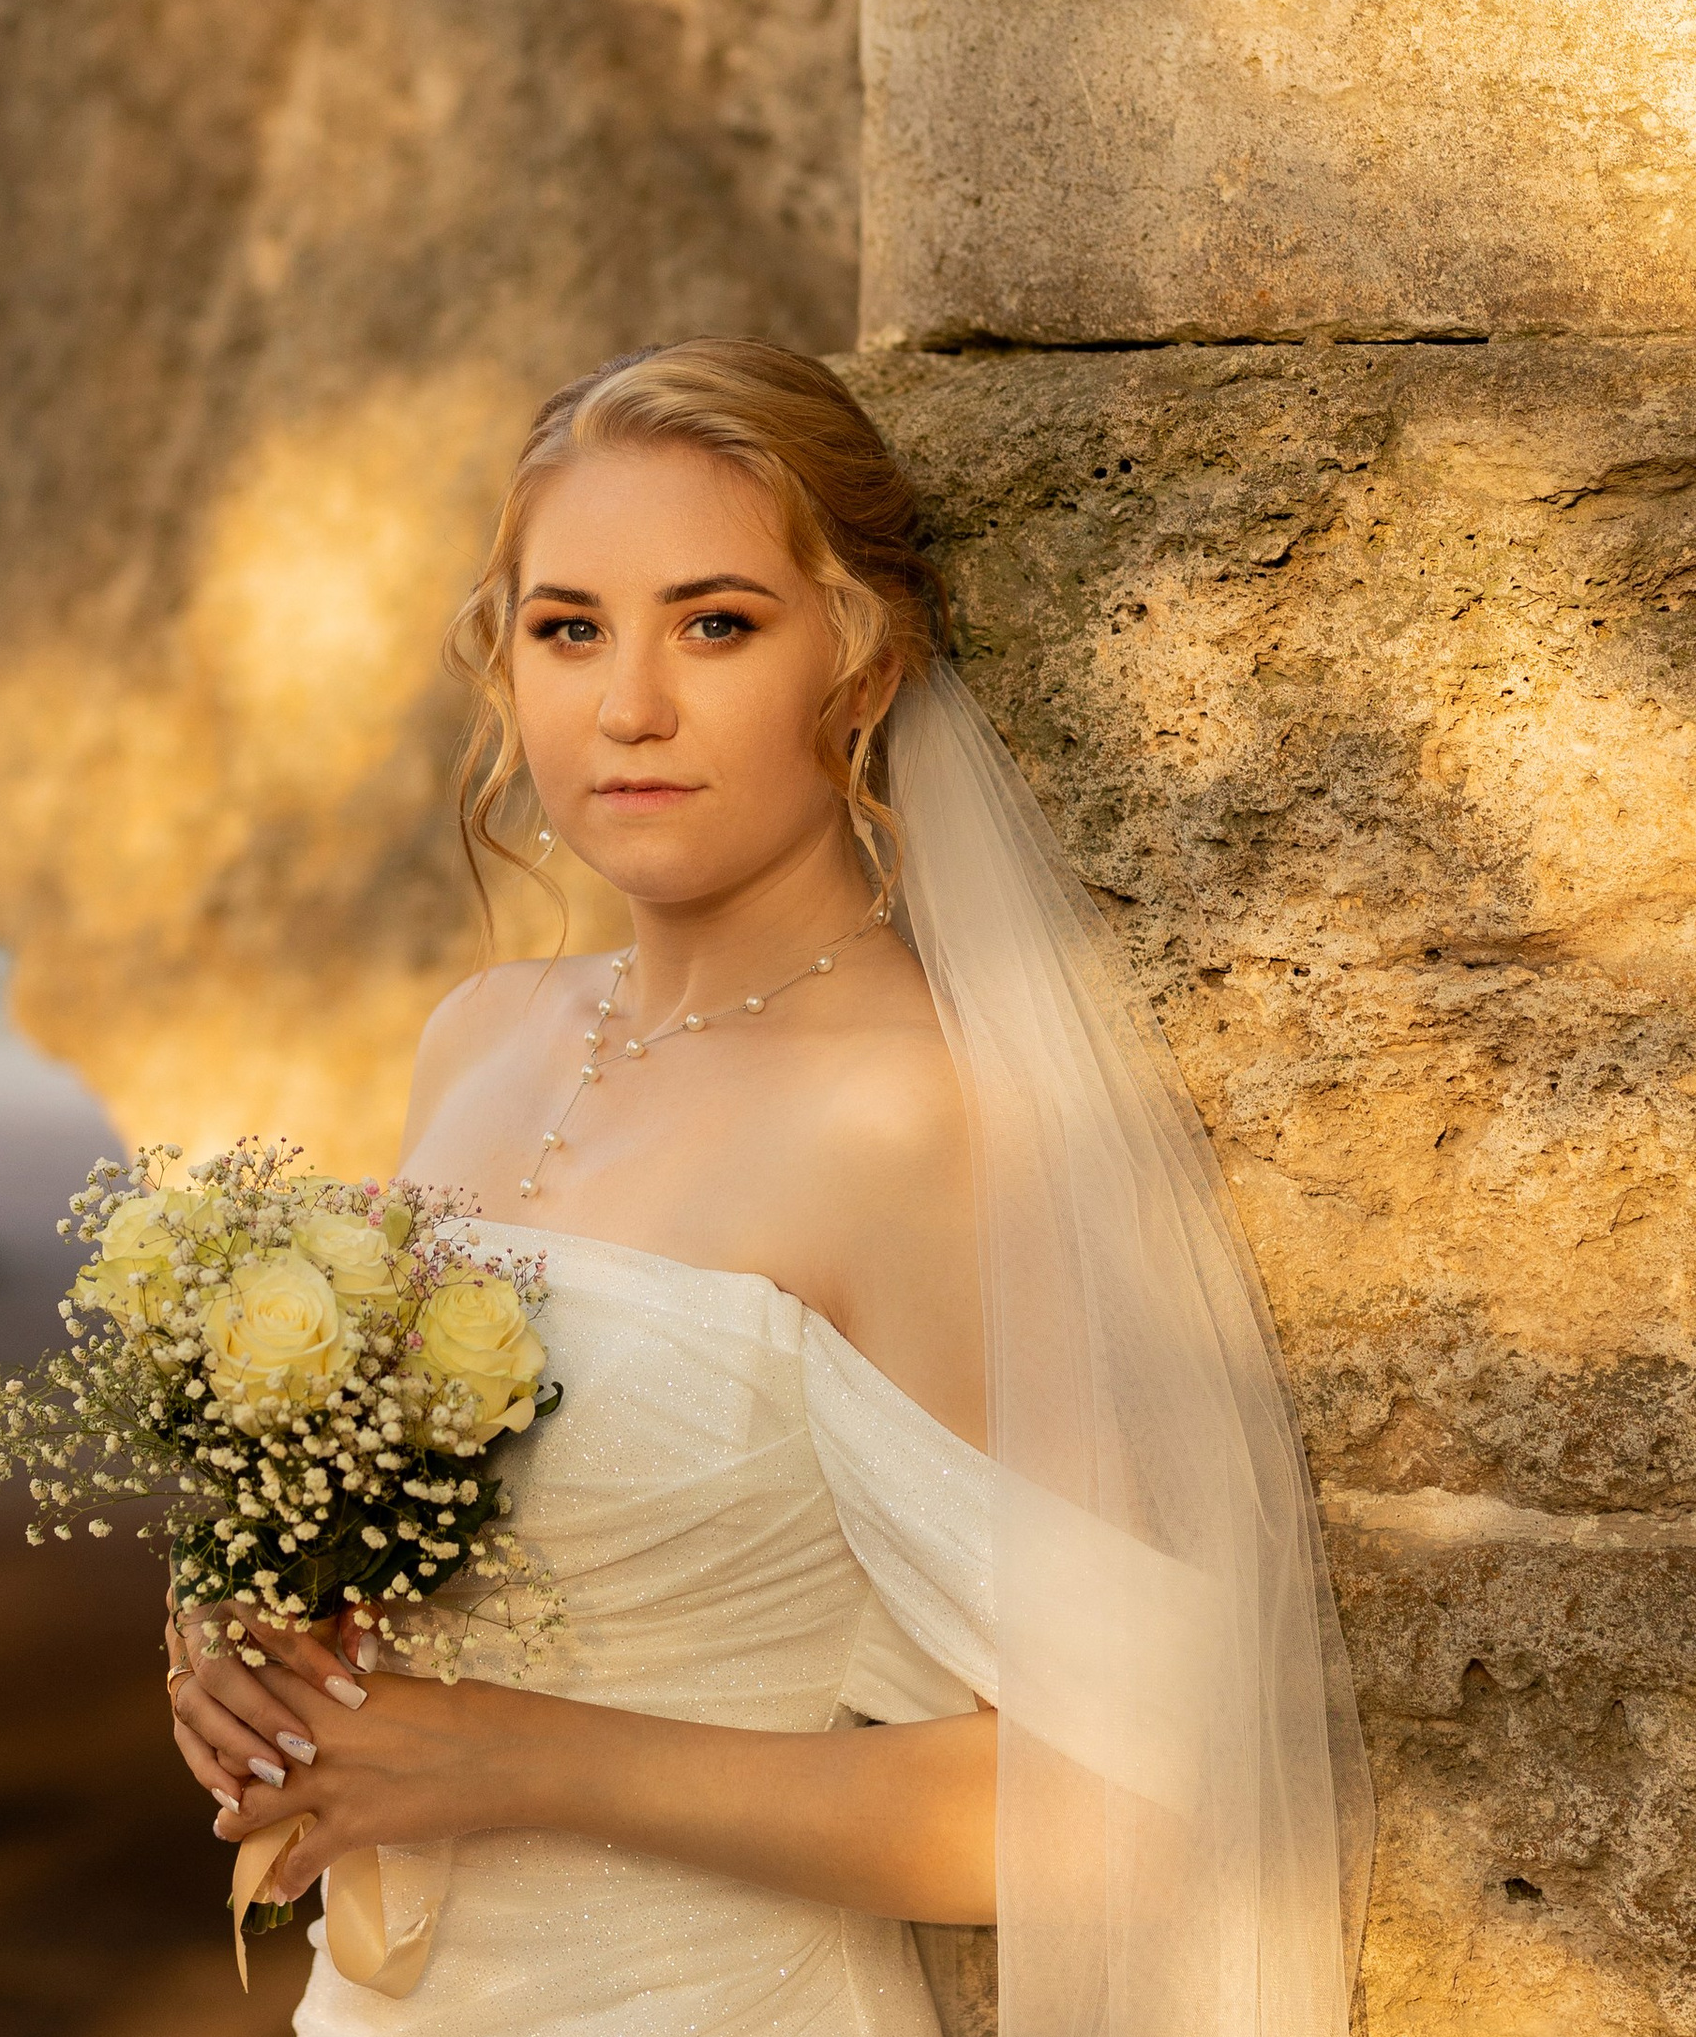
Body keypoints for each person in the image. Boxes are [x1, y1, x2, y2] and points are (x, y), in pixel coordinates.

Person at [167, 341, 1370, 2035]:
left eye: (715, 624)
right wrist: (251, 1625)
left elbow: (1124, 1808)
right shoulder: (481, 1036)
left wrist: (520, 1760)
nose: (627, 705)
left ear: (859, 664)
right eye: (568, 625)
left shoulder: (913, 1116)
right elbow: (420, 1542)